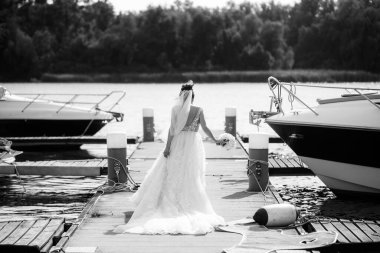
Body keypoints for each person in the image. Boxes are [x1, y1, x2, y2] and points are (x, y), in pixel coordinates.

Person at [113, 81, 225, 235]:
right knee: (191, 173)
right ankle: (192, 203)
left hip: (178, 142)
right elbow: (205, 128)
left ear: (181, 96)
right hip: (193, 143)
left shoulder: (175, 109)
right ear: (193, 97)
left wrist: (167, 148)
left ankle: (165, 202)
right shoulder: (199, 110)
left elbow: (172, 131)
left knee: (171, 171)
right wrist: (216, 140)